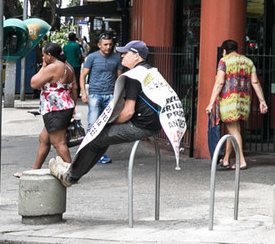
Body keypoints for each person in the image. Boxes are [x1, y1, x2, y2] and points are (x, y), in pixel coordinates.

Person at [49, 40, 186, 188]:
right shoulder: (150, 71)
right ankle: (73, 170)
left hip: (140, 126)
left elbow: (128, 112)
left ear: (136, 56)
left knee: (95, 137)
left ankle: (70, 176)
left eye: (126, 53)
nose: (122, 56)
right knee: (102, 138)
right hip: (153, 125)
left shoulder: (135, 76)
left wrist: (108, 122)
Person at [205, 38, 268, 169]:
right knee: (234, 129)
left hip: (228, 100)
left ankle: (241, 161)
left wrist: (211, 102)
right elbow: (255, 82)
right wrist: (262, 101)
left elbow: (219, 82)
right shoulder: (248, 62)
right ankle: (226, 159)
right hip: (244, 100)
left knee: (233, 129)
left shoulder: (224, 61)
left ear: (224, 51)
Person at [18, 42, 76, 178]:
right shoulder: (68, 66)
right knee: (44, 139)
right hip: (63, 106)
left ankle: (72, 174)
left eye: (44, 55)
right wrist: (73, 107)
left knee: (59, 142)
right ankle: (34, 170)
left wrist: (43, 67)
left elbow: (33, 83)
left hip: (56, 108)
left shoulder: (54, 67)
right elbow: (74, 88)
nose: (43, 58)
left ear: (50, 55)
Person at [80, 32, 119, 163]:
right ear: (99, 45)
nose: (108, 47)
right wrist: (83, 93)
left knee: (105, 126)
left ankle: (100, 154)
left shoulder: (116, 58)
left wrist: (119, 96)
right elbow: (83, 75)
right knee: (93, 123)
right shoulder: (92, 57)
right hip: (95, 94)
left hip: (110, 95)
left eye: (110, 44)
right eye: (105, 44)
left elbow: (120, 77)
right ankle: (87, 153)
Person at [62, 32, 84, 99]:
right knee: (76, 79)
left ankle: (68, 92)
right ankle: (76, 93)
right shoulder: (76, 46)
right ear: (74, 38)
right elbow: (80, 55)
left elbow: (63, 56)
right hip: (76, 65)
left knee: (68, 79)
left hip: (67, 65)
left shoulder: (65, 46)